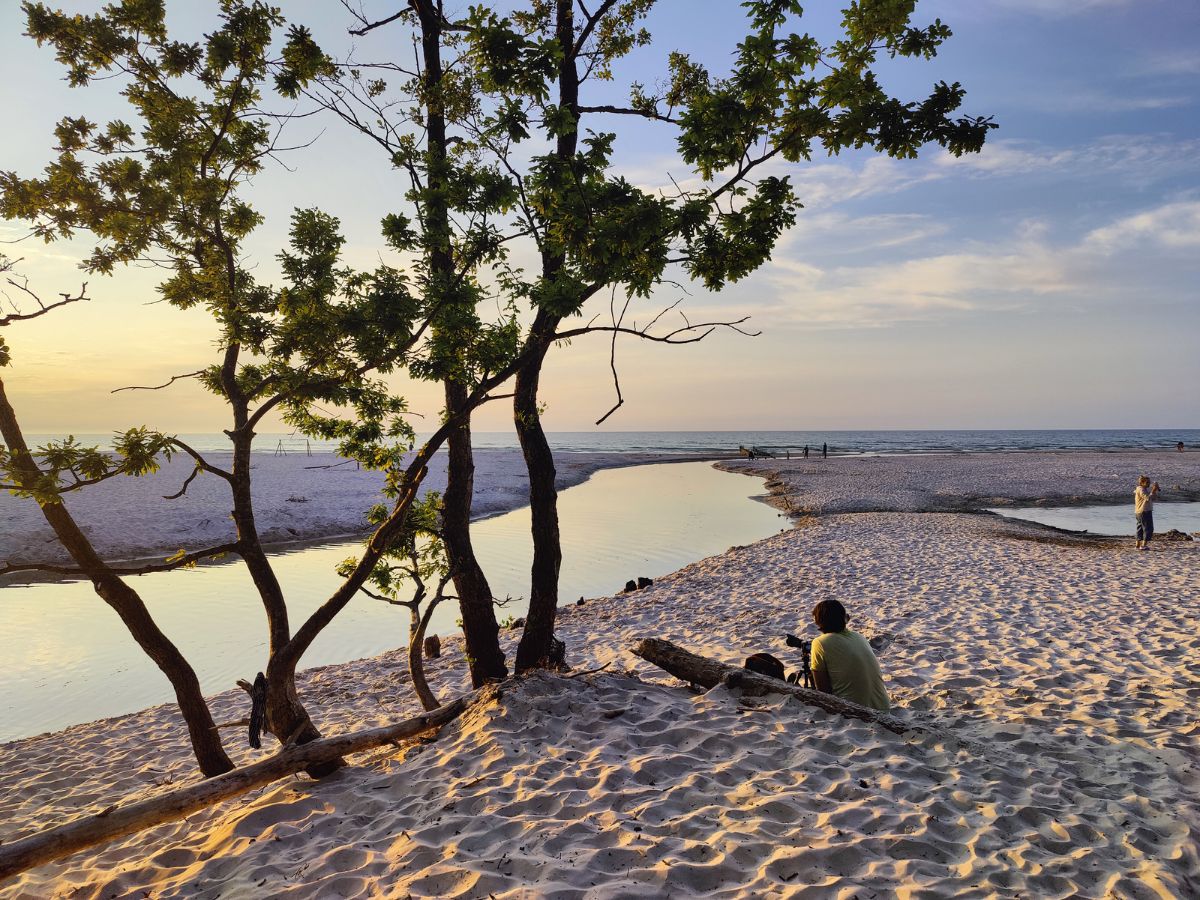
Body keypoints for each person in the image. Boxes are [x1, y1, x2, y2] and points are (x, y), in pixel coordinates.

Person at [808, 599, 890, 711]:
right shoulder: (859, 636)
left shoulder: (820, 642)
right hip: (883, 707)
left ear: (819, 622)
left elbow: (824, 693)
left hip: (856, 712)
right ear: (845, 618)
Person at [1134, 475, 1160, 550]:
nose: (1149, 484)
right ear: (1142, 483)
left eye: (1149, 482)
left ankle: (1137, 545)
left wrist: (1154, 490)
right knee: (1148, 528)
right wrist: (1153, 490)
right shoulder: (1141, 489)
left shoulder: (1142, 489)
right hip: (1144, 511)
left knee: (1140, 528)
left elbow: (1152, 498)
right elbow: (1148, 498)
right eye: (1147, 482)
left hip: (1139, 512)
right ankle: (1143, 545)